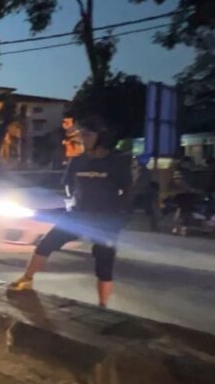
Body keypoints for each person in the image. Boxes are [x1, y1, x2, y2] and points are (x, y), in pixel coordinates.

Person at [8, 116, 132, 308]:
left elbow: (128, 191)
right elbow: (67, 185)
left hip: (105, 219)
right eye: (81, 135)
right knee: (46, 243)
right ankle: (27, 278)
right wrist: (72, 201)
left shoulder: (116, 161)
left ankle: (103, 305)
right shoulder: (78, 161)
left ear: (101, 137)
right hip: (77, 215)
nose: (83, 139)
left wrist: (119, 217)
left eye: (88, 135)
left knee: (104, 263)